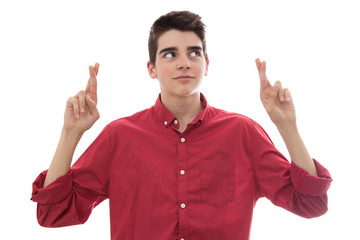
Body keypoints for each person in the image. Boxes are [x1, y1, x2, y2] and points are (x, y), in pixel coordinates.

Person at [31, 10, 332, 240]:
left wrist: (287, 126)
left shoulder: (242, 132)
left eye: (194, 53)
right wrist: (71, 133)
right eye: (170, 54)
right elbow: (53, 214)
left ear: (206, 65)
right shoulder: (119, 137)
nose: (184, 62)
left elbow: (311, 203)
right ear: (152, 69)